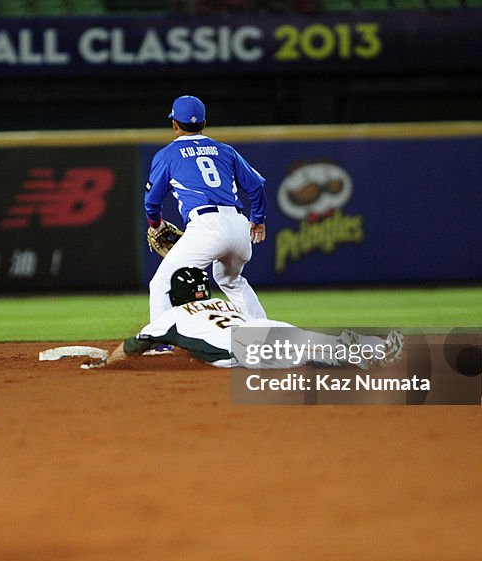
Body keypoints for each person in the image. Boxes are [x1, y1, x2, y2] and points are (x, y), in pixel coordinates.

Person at [145, 96, 268, 343]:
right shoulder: (225, 150)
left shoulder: (167, 155)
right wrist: (258, 220)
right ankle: (263, 336)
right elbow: (256, 187)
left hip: (206, 226)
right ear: (204, 123)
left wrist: (156, 225)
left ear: (174, 124)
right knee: (231, 280)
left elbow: (152, 202)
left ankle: (160, 346)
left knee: (162, 283)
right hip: (238, 224)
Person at [106, 268, 404, 369]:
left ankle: (360, 355)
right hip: (256, 327)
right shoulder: (217, 303)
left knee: (303, 355)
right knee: (309, 342)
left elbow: (132, 347)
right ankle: (371, 346)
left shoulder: (171, 317)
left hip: (242, 346)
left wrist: (105, 364)